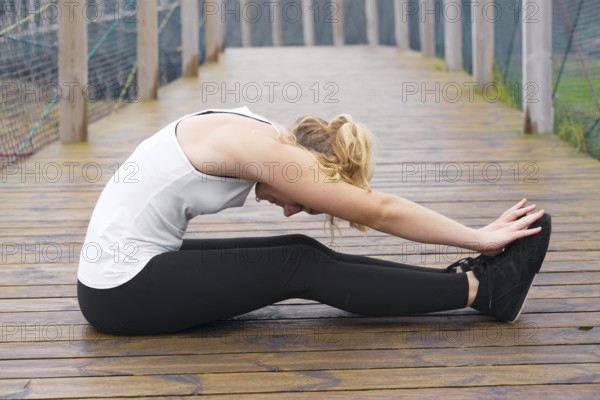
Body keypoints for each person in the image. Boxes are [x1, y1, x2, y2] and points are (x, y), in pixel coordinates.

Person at [77, 106, 552, 336]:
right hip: (119, 291)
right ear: (313, 168)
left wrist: (476, 240)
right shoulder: (268, 153)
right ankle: (480, 291)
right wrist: (480, 236)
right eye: (303, 201)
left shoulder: (259, 132)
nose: (287, 207)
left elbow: (367, 205)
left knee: (302, 252)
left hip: (126, 274)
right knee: (296, 265)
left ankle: (466, 281)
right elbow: (380, 209)